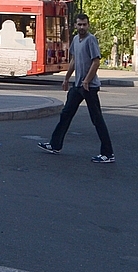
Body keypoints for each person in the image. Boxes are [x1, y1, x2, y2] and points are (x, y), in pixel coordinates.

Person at [39, 13, 115, 163]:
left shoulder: (90, 40)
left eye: (84, 24)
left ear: (88, 25)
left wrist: (87, 80)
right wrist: (67, 78)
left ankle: (108, 153)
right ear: (75, 25)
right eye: (79, 24)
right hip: (78, 85)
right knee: (66, 114)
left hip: (89, 87)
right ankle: (55, 145)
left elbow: (96, 62)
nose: (82, 27)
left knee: (97, 119)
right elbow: (74, 60)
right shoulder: (75, 39)